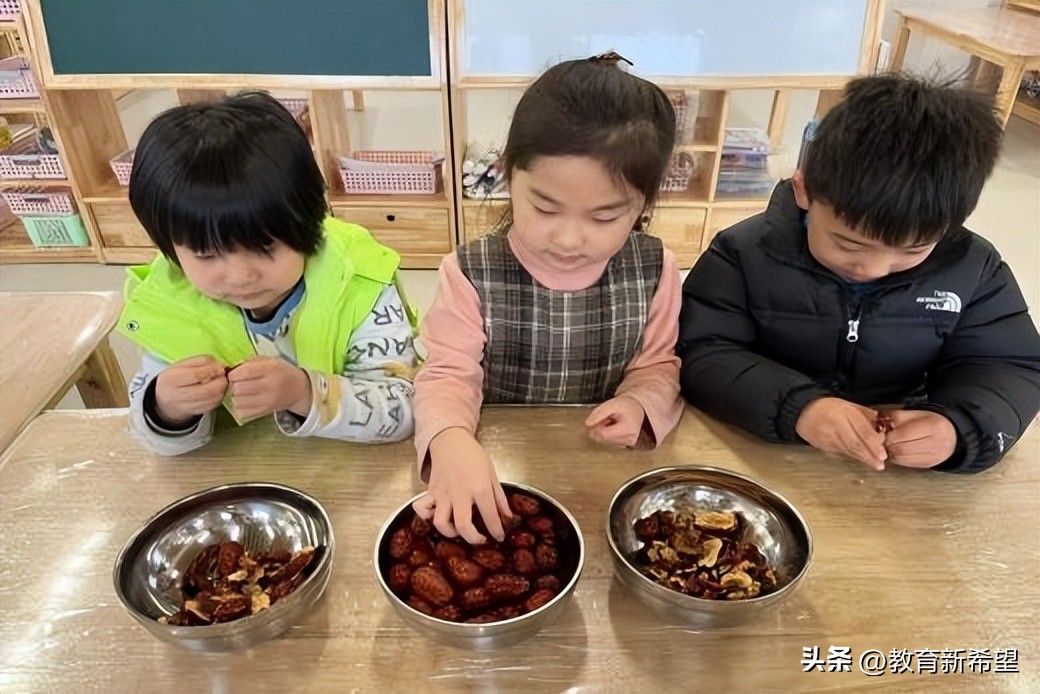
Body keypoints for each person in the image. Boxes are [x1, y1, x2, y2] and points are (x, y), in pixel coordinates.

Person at [677, 73, 1040, 474]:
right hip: (763, 445)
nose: (873, 268)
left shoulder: (974, 270)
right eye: (849, 244)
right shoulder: (743, 253)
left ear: (951, 224)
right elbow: (703, 351)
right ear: (804, 190)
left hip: (891, 469)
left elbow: (1011, 366)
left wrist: (960, 427)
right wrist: (799, 406)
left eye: (913, 249)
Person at [412, 53, 684, 544]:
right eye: (545, 206)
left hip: (600, 477)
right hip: (494, 472)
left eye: (604, 218)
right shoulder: (470, 272)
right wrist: (449, 439)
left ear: (643, 205)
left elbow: (658, 366)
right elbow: (447, 373)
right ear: (507, 173)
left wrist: (640, 404)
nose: (569, 239)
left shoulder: (654, 269)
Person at [118, 92, 418, 455]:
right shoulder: (170, 303)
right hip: (240, 476)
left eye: (265, 248)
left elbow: (404, 409)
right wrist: (166, 408)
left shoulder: (361, 283)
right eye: (207, 255)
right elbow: (146, 433)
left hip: (348, 467)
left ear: (310, 222)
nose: (241, 275)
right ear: (171, 252)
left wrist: (306, 393)